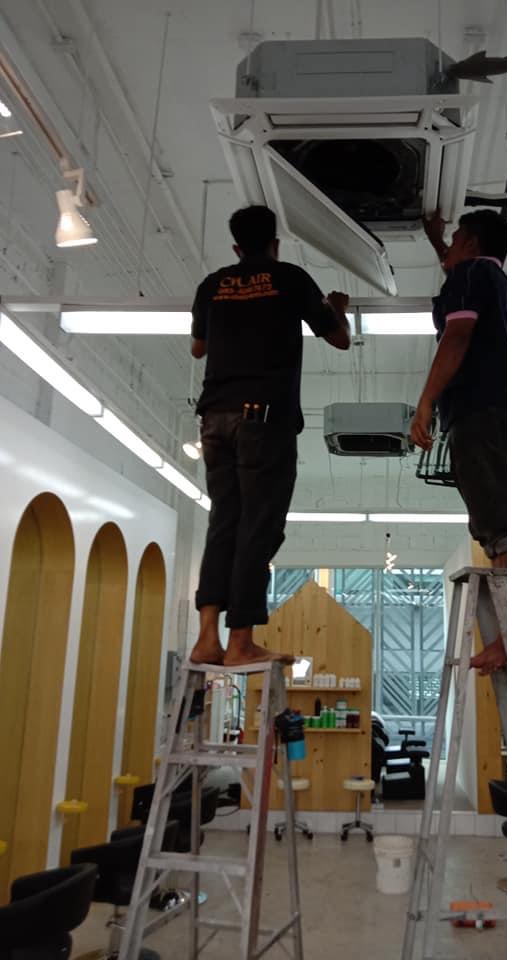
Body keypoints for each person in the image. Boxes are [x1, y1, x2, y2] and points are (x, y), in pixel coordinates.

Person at [189, 205, 351, 667]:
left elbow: (198, 348)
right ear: (275, 244)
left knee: (224, 522)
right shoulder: (289, 278)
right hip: (263, 420)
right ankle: (240, 640)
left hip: (214, 420)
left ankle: (207, 638)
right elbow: (339, 338)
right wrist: (338, 310)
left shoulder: (212, 284)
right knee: (258, 527)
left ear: (236, 247)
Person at [410, 208, 507, 676]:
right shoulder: (501, 283)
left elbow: (457, 334)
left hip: (484, 413)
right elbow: (457, 263)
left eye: (455, 240)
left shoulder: (468, 275)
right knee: (497, 528)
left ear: (470, 245)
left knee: (506, 528)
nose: (448, 250)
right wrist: (436, 239)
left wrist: (426, 401)